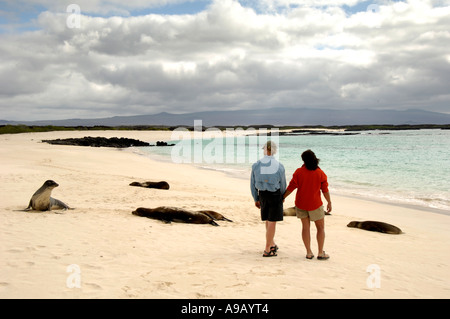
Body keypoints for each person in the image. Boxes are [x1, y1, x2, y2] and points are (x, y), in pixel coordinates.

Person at [283, 150, 332, 260]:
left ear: (303, 160)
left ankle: (309, 252)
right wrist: (329, 202)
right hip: (315, 204)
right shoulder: (320, 173)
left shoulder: (298, 172)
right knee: (320, 228)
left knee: (305, 228)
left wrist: (283, 197)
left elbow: (291, 187)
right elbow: (325, 190)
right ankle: (320, 252)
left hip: (301, 204)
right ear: (315, 158)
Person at [250, 141, 286, 257]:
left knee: (268, 220)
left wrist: (256, 198)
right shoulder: (279, 166)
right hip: (274, 195)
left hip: (262, 195)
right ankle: (267, 249)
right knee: (272, 221)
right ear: (274, 151)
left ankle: (272, 243)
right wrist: (282, 196)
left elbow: (252, 183)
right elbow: (283, 184)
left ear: (264, 150)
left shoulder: (256, 165)